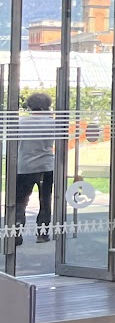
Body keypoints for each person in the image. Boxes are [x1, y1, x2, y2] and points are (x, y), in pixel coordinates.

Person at [14, 91, 54, 243]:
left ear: (30, 106)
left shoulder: (20, 122)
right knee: (45, 200)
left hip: (25, 166)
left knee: (20, 201)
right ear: (47, 106)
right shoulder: (52, 123)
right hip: (46, 166)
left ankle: (16, 234)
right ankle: (42, 234)